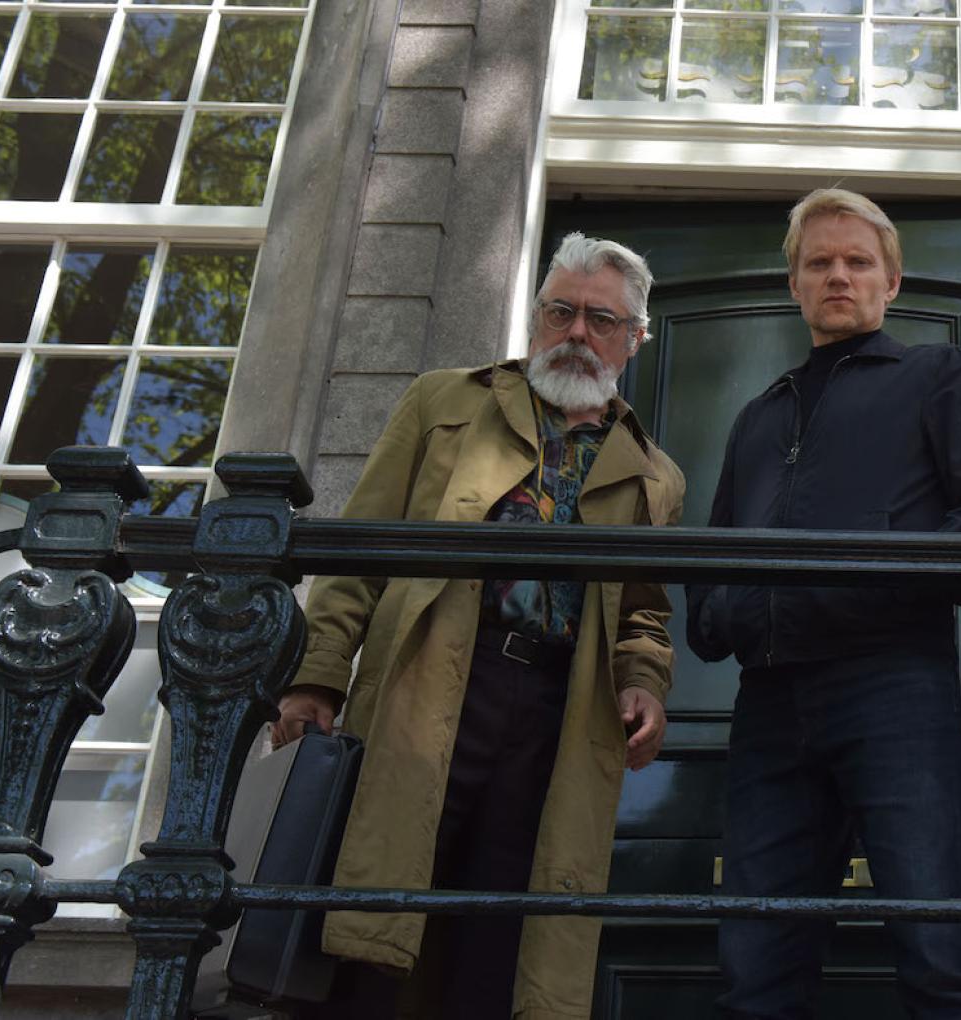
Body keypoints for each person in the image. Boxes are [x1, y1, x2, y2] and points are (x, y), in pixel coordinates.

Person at [272, 232, 685, 1018]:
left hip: (557, 715)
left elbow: (644, 612)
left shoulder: (657, 473)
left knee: (497, 936)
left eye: (601, 320)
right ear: (536, 315)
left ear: (634, 340)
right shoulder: (444, 399)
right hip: (424, 689)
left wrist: (643, 684)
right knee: (374, 919)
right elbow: (361, 545)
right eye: (559, 311)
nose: (574, 333)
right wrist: (318, 676)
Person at [686, 188, 961, 1019]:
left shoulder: (935, 376)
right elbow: (712, 553)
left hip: (894, 690)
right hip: (769, 703)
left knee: (938, 948)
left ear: (891, 281)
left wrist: (873, 586)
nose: (837, 275)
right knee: (755, 965)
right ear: (794, 285)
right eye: (819, 263)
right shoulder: (758, 415)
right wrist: (724, 616)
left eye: (857, 262)